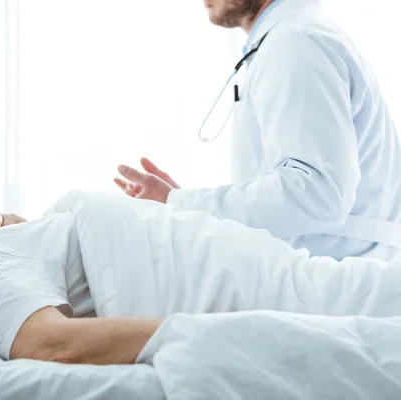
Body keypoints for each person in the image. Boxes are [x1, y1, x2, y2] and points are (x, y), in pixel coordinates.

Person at [0, 167, 401, 366]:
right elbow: (50, 342)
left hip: (245, 268)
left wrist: (31, 239)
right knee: (370, 295)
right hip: (251, 289)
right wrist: (236, 334)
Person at [115, 0, 401, 262]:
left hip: (335, 286)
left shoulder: (295, 43)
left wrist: (178, 204)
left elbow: (318, 194)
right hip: (337, 278)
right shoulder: (292, 38)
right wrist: (188, 208)